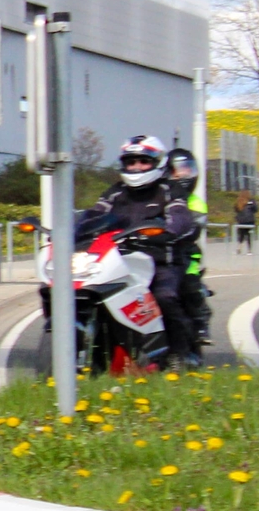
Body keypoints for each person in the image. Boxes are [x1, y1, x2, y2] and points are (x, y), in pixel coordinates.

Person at [77, 136, 200, 358]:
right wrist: (76, 230)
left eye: (143, 161)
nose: (136, 167)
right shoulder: (115, 192)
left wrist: (169, 230)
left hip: (162, 260)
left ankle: (179, 357)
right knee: (92, 291)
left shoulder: (170, 190)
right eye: (131, 161)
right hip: (120, 259)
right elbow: (96, 214)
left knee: (165, 297)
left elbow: (180, 215)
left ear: (158, 162)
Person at [164, 147, 213, 368]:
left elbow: (194, 227)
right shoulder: (160, 197)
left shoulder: (195, 202)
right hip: (159, 254)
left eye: (185, 170)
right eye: (175, 171)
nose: (181, 175)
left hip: (185, 255)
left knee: (189, 284)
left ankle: (200, 321)